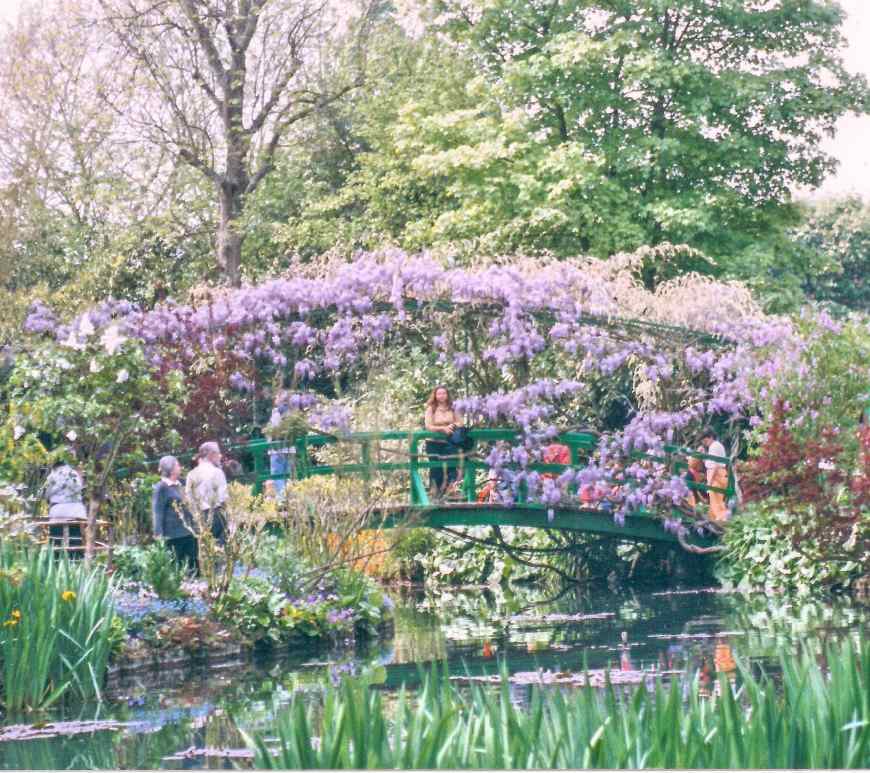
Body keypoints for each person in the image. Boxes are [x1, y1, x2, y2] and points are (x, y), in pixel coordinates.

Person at [152, 455, 198, 573]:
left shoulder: (181, 484)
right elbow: (157, 512)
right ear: (171, 469)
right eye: (177, 465)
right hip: (173, 536)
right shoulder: (161, 488)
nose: (180, 467)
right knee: (177, 569)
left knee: (193, 568)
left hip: (189, 533)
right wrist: (158, 534)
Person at [185, 441, 229, 543]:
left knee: (205, 549)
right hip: (217, 515)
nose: (220, 456)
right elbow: (223, 497)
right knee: (221, 548)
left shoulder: (191, 474)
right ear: (211, 455)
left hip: (199, 516)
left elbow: (189, 498)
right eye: (218, 453)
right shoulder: (217, 472)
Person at [424, 385, 464, 496]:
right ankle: (434, 491)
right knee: (436, 467)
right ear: (435, 395)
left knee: (451, 465)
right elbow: (428, 426)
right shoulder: (431, 409)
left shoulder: (452, 408)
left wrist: (453, 425)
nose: (441, 396)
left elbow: (461, 422)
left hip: (448, 442)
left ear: (447, 395)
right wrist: (442, 429)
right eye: (439, 394)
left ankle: (450, 489)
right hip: (433, 442)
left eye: (444, 393)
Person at [43, 458, 86, 552]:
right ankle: (75, 560)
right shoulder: (74, 473)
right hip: (75, 511)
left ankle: (56, 560)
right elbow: (80, 489)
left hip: (58, 510)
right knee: (75, 537)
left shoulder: (53, 474)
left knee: (56, 538)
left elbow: (46, 494)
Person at [266, 389, 296, 497]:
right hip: (290, 448)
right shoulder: (293, 412)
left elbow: (273, 429)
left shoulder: (277, 412)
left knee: (278, 476)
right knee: (289, 475)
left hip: (277, 449)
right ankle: (290, 500)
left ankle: (282, 501)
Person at [700, 427, 729, 522]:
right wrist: (704, 455)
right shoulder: (716, 446)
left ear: (711, 437)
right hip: (719, 474)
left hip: (717, 475)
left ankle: (721, 520)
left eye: (706, 440)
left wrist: (709, 482)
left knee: (716, 501)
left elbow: (714, 466)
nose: (705, 442)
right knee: (715, 501)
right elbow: (709, 464)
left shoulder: (714, 446)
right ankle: (715, 520)